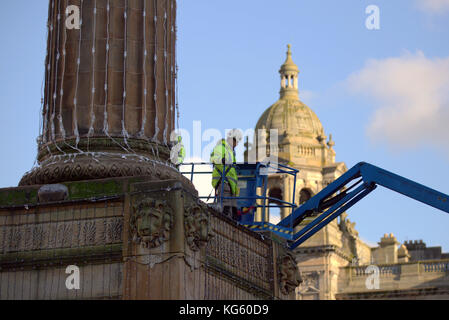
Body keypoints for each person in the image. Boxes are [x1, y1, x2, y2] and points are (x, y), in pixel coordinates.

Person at [210, 129, 243, 220]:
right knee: (225, 209)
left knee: (233, 213)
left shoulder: (231, 152)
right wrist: (222, 160)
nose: (236, 144)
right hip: (224, 182)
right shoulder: (221, 147)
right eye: (236, 141)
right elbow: (214, 158)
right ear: (231, 139)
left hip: (231, 185)